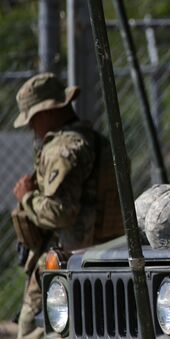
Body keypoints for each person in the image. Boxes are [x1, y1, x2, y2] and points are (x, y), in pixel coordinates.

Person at [12, 73, 123, 339]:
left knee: (33, 330)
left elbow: (59, 212)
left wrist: (26, 197)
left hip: (62, 261)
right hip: (104, 256)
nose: (32, 128)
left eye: (33, 119)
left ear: (48, 112)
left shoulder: (62, 149)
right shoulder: (98, 142)